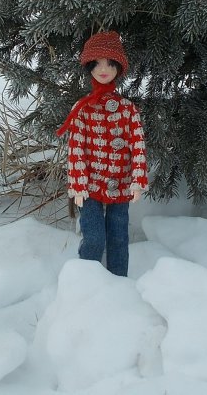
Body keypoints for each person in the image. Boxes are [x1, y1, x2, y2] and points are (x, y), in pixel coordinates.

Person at [56, 31, 148, 276]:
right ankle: (85, 280)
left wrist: (137, 180)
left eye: (109, 63)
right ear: (89, 67)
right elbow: (76, 148)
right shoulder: (83, 108)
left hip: (121, 182)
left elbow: (137, 145)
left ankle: (119, 284)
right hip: (90, 184)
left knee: (118, 237)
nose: (103, 69)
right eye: (97, 63)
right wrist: (78, 184)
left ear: (119, 66)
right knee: (94, 236)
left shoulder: (128, 109)